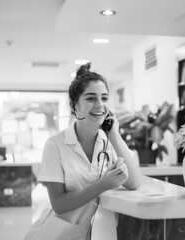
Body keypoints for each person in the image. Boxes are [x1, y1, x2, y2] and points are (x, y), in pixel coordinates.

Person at [24, 63, 141, 240]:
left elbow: (134, 182)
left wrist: (115, 135)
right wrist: (101, 185)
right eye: (91, 98)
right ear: (75, 106)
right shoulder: (55, 144)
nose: (100, 105)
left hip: (96, 234)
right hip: (57, 234)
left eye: (104, 98)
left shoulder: (109, 142)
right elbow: (59, 204)